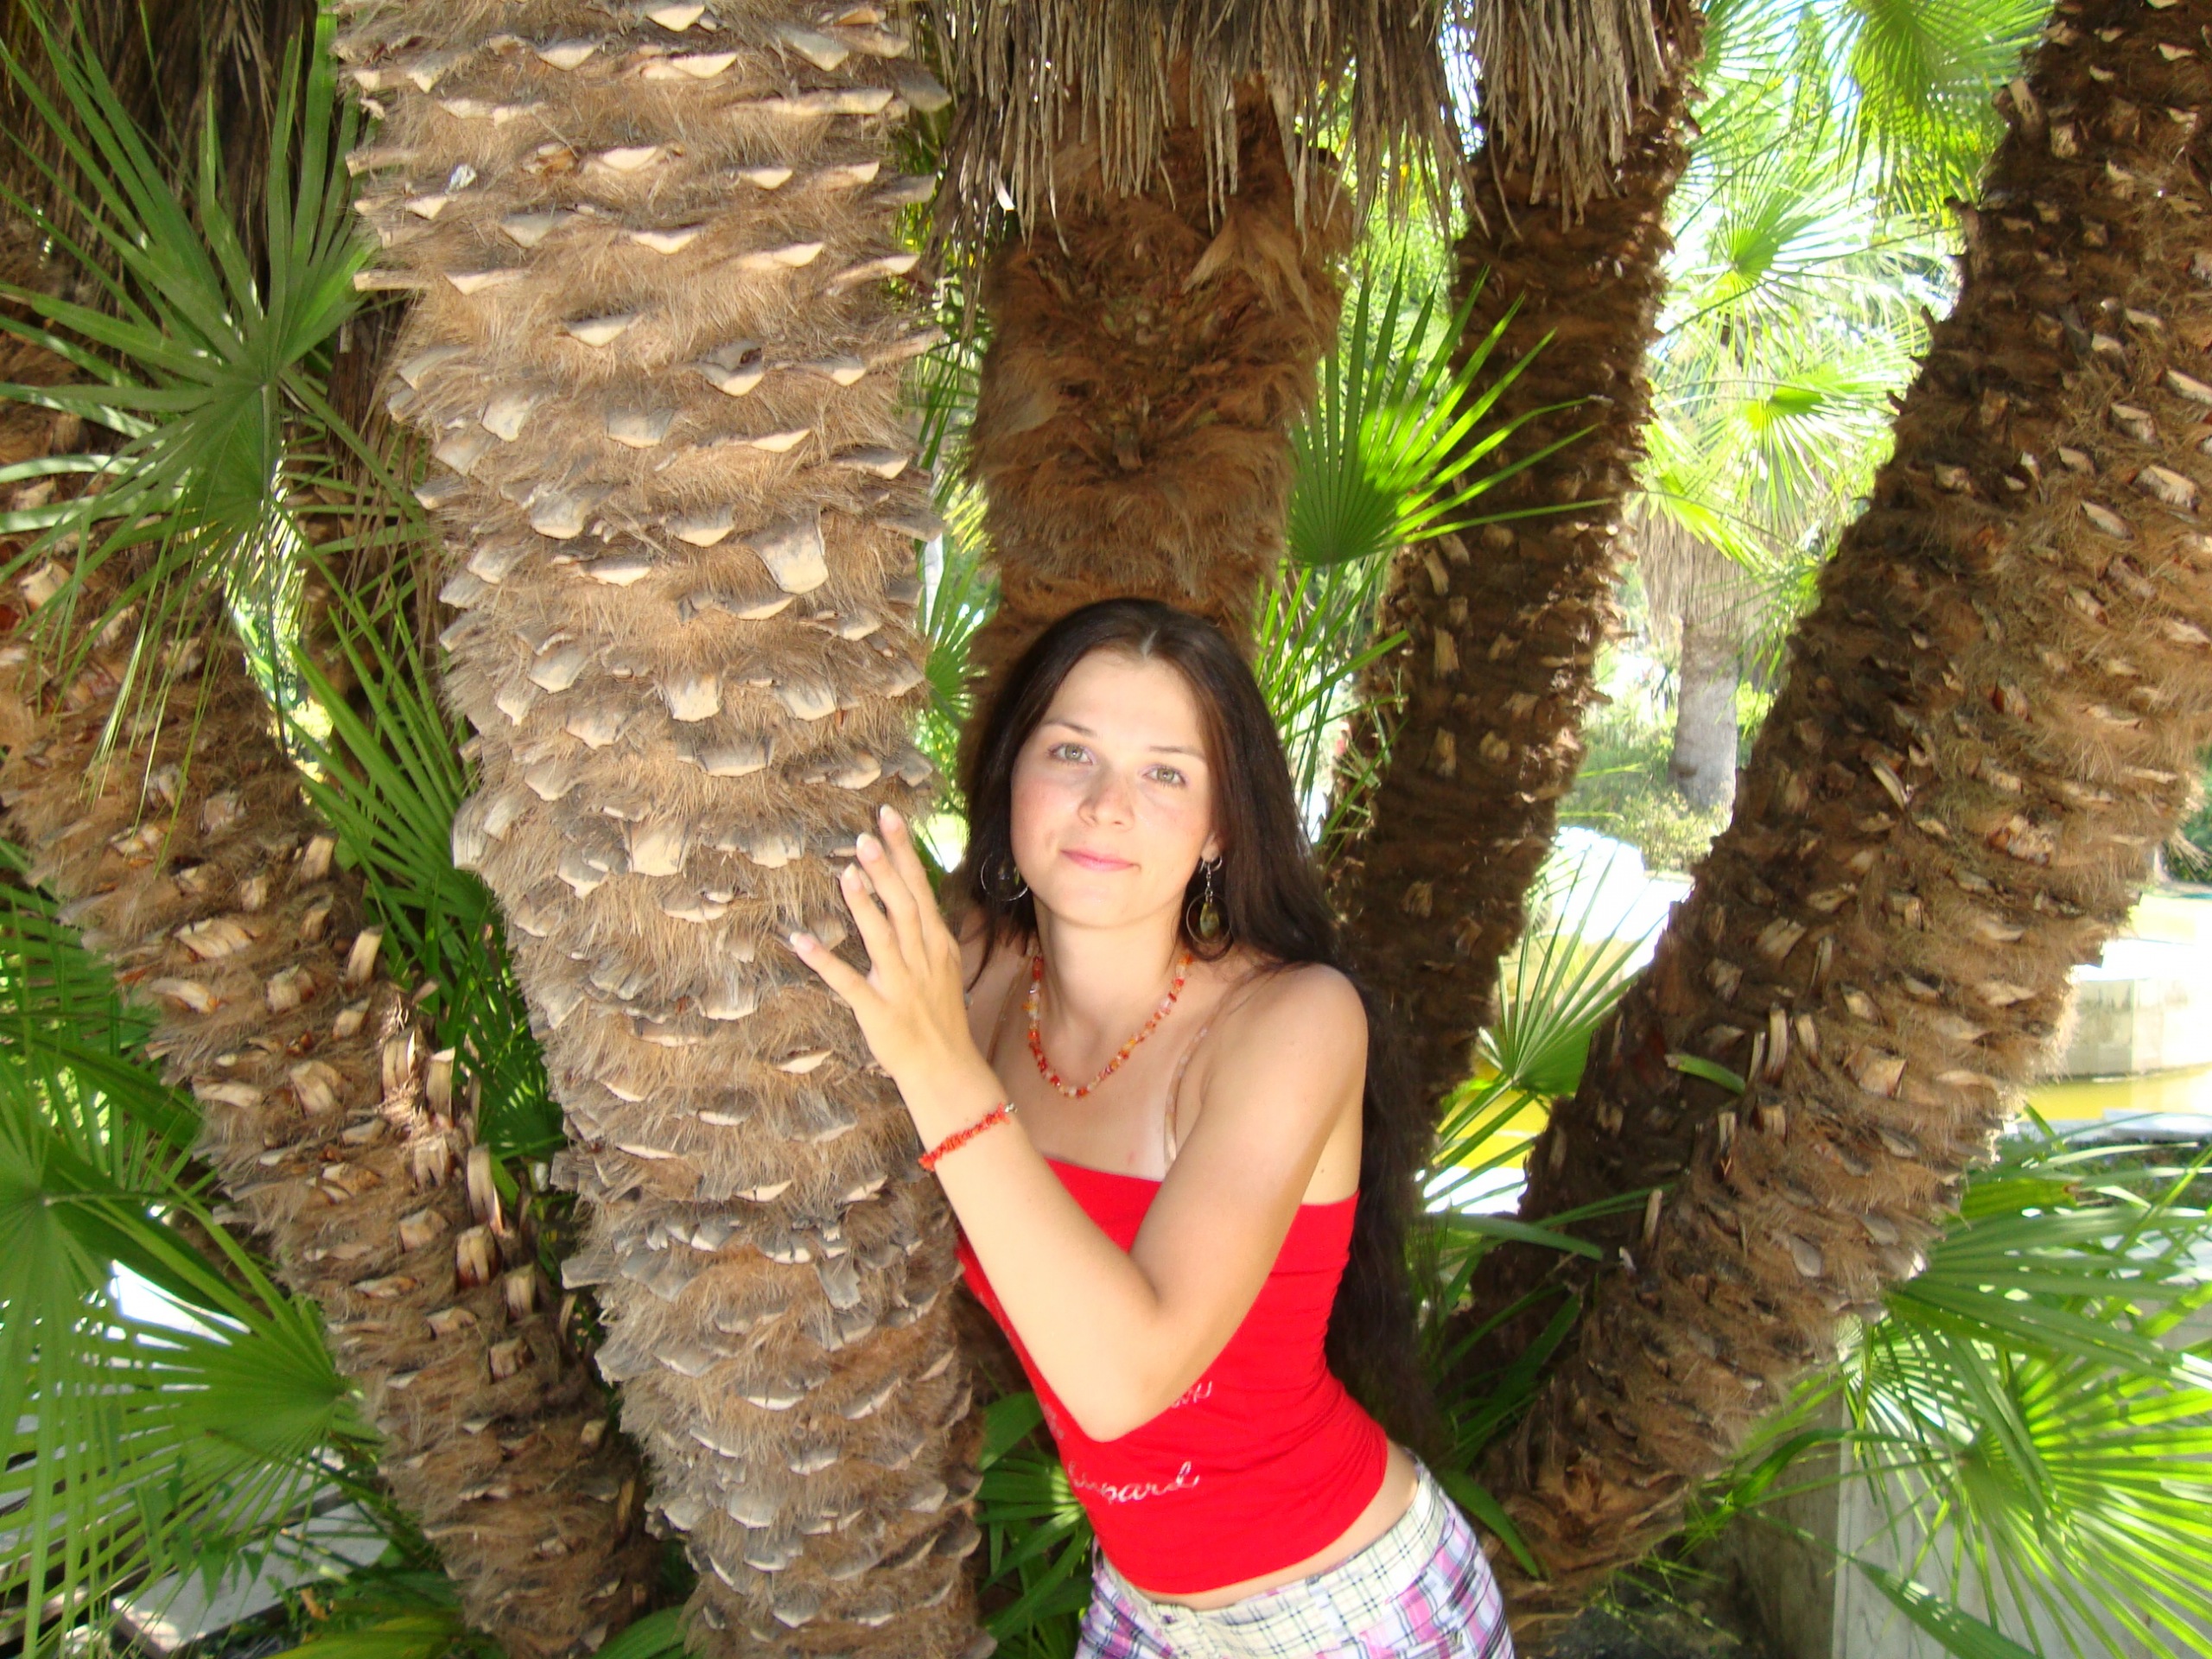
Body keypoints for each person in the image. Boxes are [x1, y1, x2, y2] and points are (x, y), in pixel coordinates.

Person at [789, 597, 1512, 1657]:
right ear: (1011, 773)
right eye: (1069, 752)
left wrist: (938, 1069)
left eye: (1166, 773)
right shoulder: (973, 972)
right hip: (1138, 1606)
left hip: (1348, 1613)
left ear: (1221, 825)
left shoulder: (1293, 1019)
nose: (1106, 805)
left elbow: (1124, 1382)